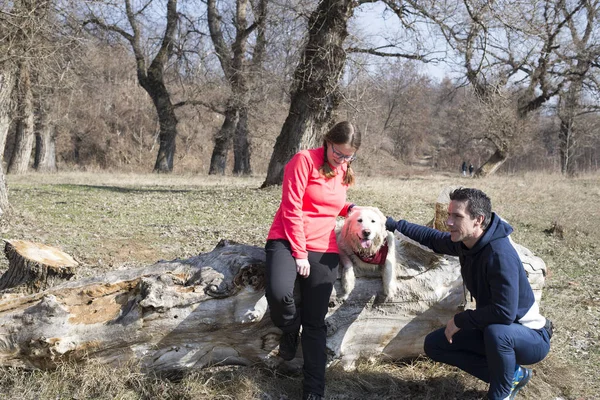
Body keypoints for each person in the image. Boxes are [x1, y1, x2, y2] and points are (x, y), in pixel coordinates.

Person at [385, 188, 552, 400]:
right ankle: (512, 376)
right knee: (436, 345)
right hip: (496, 330)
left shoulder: (499, 254)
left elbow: (504, 313)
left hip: (530, 337)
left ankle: (500, 394)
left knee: (498, 333)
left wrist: (461, 319)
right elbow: (433, 238)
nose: (449, 222)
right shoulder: (468, 242)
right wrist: (393, 225)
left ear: (478, 220)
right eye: (449, 214)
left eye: (457, 216)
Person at [265, 121, 361, 400]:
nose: (342, 160)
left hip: (324, 247)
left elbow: (330, 204)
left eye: (348, 156)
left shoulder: (343, 168)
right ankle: (290, 329)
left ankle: (314, 390)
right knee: (280, 293)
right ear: (327, 141)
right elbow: (291, 207)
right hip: (286, 238)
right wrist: (300, 252)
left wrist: (350, 207)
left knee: (316, 322)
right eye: (338, 153)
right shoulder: (303, 160)